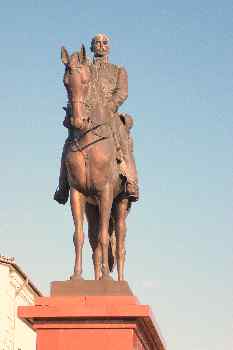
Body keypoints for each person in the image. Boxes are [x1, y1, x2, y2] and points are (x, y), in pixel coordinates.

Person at [54, 33, 139, 204]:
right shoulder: (85, 67)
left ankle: (131, 180)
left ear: (109, 46)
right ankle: (63, 185)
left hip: (109, 112)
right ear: (91, 47)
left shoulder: (118, 70)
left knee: (123, 139)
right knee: (69, 142)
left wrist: (110, 107)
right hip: (87, 113)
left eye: (104, 43)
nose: (101, 45)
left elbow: (122, 92)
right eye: (97, 43)